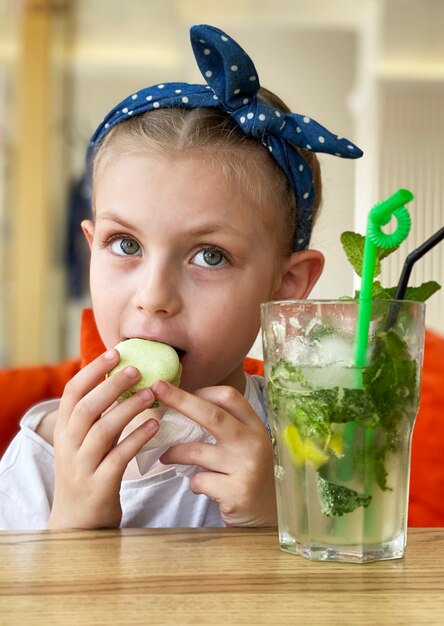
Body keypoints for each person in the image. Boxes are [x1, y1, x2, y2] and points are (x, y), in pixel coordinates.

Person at [0, 24, 362, 530]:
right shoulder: (42, 452)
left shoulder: (313, 440)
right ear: (91, 247)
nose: (154, 297)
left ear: (286, 285)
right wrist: (74, 523)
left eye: (209, 256)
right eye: (125, 245)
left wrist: (274, 520)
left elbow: (351, 599)